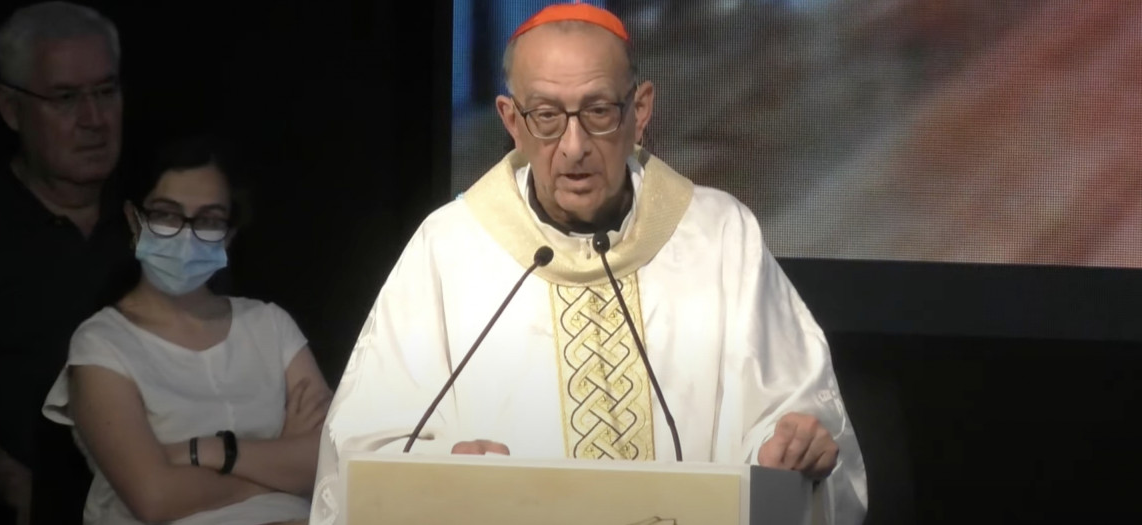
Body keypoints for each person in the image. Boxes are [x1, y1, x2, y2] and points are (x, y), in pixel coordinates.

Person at [309, 3, 867, 524]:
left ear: (639, 111)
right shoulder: (450, 247)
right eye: (547, 116)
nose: (574, 146)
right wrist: (444, 471)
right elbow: (365, 451)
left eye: (598, 111)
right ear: (511, 121)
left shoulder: (719, 237)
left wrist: (790, 448)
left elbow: (792, 416)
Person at [38, 135, 330, 525]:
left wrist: (206, 451)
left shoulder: (270, 326)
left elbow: (330, 460)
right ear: (134, 219)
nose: (186, 235)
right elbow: (155, 498)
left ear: (228, 233)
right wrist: (279, 467)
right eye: (167, 215)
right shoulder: (102, 344)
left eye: (208, 220)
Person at [0, 2, 130, 523]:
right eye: (66, 98)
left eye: (106, 91)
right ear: (10, 108)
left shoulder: (160, 218)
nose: (94, 119)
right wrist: (15, 486)